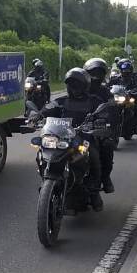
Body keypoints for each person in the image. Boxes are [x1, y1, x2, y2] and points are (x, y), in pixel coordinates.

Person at [39, 68, 104, 211]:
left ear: (85, 86)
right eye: (70, 84)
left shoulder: (94, 102)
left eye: (76, 84)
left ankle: (94, 192)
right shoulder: (61, 101)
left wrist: (101, 120)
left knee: (93, 155)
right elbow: (49, 108)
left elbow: (104, 111)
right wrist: (37, 115)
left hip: (84, 139)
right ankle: (48, 183)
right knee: (42, 150)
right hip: (63, 138)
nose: (73, 88)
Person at [84, 58, 116, 194]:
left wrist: (108, 127)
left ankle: (104, 178)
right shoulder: (78, 88)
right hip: (76, 128)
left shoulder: (105, 92)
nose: (96, 76)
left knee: (107, 146)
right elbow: (64, 105)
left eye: (99, 73)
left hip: (96, 129)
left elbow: (112, 112)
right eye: (93, 73)